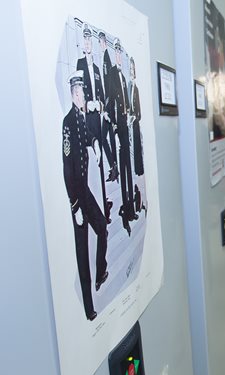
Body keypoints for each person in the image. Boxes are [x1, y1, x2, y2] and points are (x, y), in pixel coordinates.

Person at [62, 70, 109, 321]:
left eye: (83, 93)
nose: (81, 97)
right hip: (77, 197)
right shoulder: (68, 122)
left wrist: (95, 144)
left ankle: (102, 270)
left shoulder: (81, 118)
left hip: (85, 191)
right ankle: (89, 309)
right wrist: (75, 204)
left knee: (102, 226)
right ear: (72, 94)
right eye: (78, 93)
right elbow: (67, 167)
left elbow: (88, 135)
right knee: (82, 254)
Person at [76, 24, 112, 224]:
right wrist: (86, 104)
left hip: (96, 118)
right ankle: (92, 206)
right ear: (83, 43)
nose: (88, 43)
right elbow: (78, 94)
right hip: (86, 121)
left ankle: (104, 207)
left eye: (90, 40)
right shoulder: (79, 64)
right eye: (86, 40)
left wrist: (99, 104)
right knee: (90, 161)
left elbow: (102, 95)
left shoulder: (97, 69)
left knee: (100, 164)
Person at [109, 38, 137, 235]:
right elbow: (111, 105)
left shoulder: (125, 79)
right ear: (114, 54)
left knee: (129, 171)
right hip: (119, 132)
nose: (119, 56)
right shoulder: (111, 75)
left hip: (126, 130)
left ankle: (130, 208)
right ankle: (126, 211)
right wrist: (116, 132)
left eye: (121, 52)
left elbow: (127, 106)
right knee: (123, 174)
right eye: (116, 52)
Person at [97, 29, 119, 183]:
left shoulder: (106, 60)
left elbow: (109, 88)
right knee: (106, 138)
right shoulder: (102, 59)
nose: (100, 44)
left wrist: (107, 110)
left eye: (102, 41)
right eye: (99, 42)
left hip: (109, 110)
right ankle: (114, 168)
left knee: (107, 138)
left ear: (105, 43)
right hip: (107, 109)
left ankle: (114, 168)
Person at [128, 57, 144, 176]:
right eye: (130, 69)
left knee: (137, 147)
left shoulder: (136, 89)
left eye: (133, 69)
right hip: (129, 121)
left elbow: (139, 111)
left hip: (135, 122)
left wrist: (135, 117)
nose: (131, 72)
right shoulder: (128, 87)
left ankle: (139, 169)